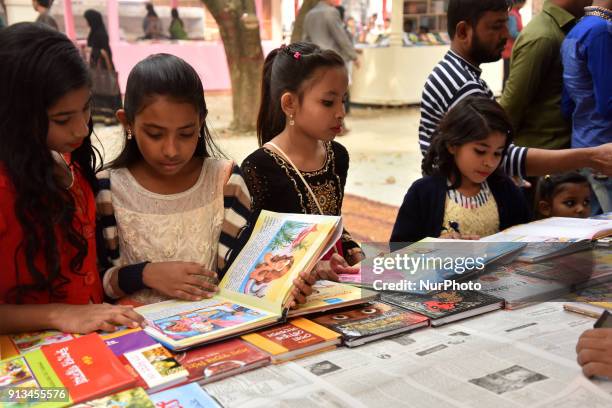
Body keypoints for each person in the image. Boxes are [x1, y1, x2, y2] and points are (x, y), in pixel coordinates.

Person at [97, 54, 316, 307]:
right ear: (128, 123)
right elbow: (93, 284)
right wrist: (144, 274)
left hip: (214, 331)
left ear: (201, 122)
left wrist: (285, 286)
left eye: (186, 133)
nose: (171, 149)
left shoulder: (225, 183)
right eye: (155, 134)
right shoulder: (108, 190)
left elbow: (246, 273)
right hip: (134, 336)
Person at [0, 23, 143, 334]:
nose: (81, 129)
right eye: (62, 119)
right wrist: (57, 314)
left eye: (86, 108)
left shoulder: (66, 163)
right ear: (15, 115)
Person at [419, 0, 612, 183]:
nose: (505, 34)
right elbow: (503, 156)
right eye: (496, 26)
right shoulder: (460, 84)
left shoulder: (462, 75)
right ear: (463, 31)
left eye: (505, 24)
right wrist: (590, 156)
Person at [241, 42, 362, 280]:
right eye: (328, 102)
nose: (340, 112)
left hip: (336, 286)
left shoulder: (337, 156)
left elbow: (333, 224)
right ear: (290, 104)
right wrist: (312, 268)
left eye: (343, 100)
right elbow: (252, 256)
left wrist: (356, 253)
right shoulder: (259, 168)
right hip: (288, 294)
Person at [392, 97, 530, 243]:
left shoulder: (505, 189)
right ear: (453, 145)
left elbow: (525, 238)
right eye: (480, 151)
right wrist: (435, 247)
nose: (490, 163)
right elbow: (398, 253)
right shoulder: (423, 193)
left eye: (497, 153)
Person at [501, 0, 592, 150]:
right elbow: (512, 105)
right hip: (543, 155)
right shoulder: (542, 36)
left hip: (561, 152)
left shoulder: (565, 28)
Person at [561, 2, 612, 215]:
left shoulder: (577, 29)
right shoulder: (601, 32)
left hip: (583, 141)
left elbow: (566, 104)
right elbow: (607, 103)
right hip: (604, 151)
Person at [84, 9, 122, 126]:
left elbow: (105, 52)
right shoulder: (94, 31)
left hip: (104, 67)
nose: (86, 22)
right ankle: (100, 117)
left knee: (106, 89)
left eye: (87, 20)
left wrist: (91, 50)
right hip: (97, 67)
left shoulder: (100, 33)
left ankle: (110, 118)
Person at [303, 1, 359, 72]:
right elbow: (340, 37)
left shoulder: (309, 14)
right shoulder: (331, 12)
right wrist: (354, 56)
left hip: (315, 60)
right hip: (331, 59)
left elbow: (305, 40)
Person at [502, 0, 526, 88]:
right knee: (509, 77)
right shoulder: (512, 14)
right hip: (510, 51)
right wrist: (526, 34)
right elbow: (512, 33)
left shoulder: (516, 13)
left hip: (513, 50)